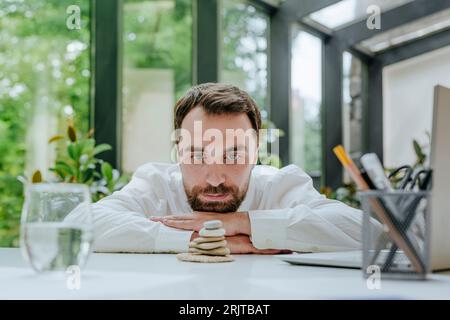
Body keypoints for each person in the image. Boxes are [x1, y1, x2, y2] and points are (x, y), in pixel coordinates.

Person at [78, 83, 368, 254]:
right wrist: (202, 240)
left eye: (233, 156)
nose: (215, 177)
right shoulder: (155, 183)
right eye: (197, 155)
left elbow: (369, 232)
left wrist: (244, 223)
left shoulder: (279, 185)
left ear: (256, 154)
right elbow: (79, 223)